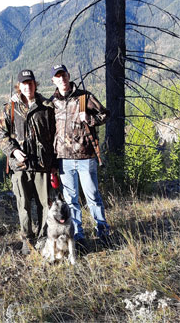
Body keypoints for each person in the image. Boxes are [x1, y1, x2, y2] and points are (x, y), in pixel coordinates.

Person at [50, 64, 110, 253]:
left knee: (92, 196)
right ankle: (78, 236)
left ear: (68, 76)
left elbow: (105, 114)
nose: (62, 79)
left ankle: (103, 232)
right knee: (71, 200)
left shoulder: (84, 98)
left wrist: (90, 119)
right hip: (63, 160)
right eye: (58, 77)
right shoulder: (52, 102)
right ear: (54, 80)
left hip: (86, 157)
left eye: (64, 75)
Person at [0, 69, 56, 255]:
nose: (28, 86)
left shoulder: (46, 107)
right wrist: (13, 151)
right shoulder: (10, 108)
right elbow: (0, 134)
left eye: (30, 83)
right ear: (19, 87)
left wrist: (54, 163)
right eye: (24, 84)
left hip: (42, 164)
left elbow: (54, 135)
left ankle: (44, 238)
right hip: (20, 167)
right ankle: (27, 241)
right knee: (23, 205)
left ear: (34, 84)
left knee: (45, 204)